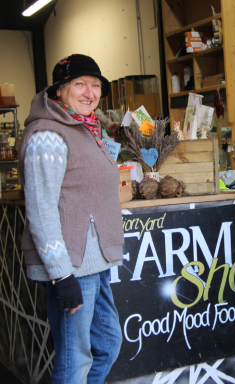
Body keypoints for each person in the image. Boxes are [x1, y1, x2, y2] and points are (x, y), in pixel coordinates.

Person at [18, 54, 124, 383]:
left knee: (107, 343)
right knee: (74, 358)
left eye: (95, 85)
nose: (89, 92)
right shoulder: (47, 136)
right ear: (59, 90)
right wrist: (62, 276)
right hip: (71, 267)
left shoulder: (85, 129)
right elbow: (41, 209)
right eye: (80, 84)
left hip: (95, 263)